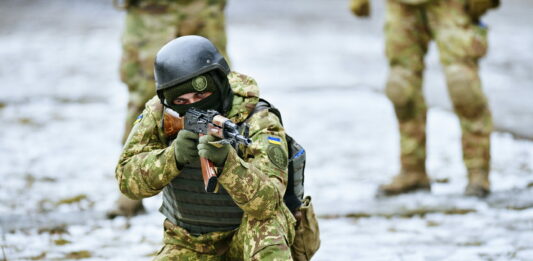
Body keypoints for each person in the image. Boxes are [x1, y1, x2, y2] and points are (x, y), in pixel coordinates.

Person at [115, 36, 296, 260]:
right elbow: (126, 180)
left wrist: (228, 164)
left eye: (201, 95)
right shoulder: (160, 114)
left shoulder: (258, 119)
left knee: (267, 229)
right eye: (181, 101)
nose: (193, 104)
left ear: (219, 85)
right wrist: (173, 157)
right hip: (189, 242)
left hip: (247, 234)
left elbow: (268, 204)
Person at [350, 0, 497, 197]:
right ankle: (412, 171)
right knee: (401, 88)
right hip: (401, 5)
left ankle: (478, 171)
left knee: (463, 86)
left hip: (451, 5)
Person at [109, 0, 230, 218]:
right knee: (146, 94)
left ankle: (223, 184)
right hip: (152, 10)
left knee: (215, 88)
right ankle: (131, 191)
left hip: (201, 6)